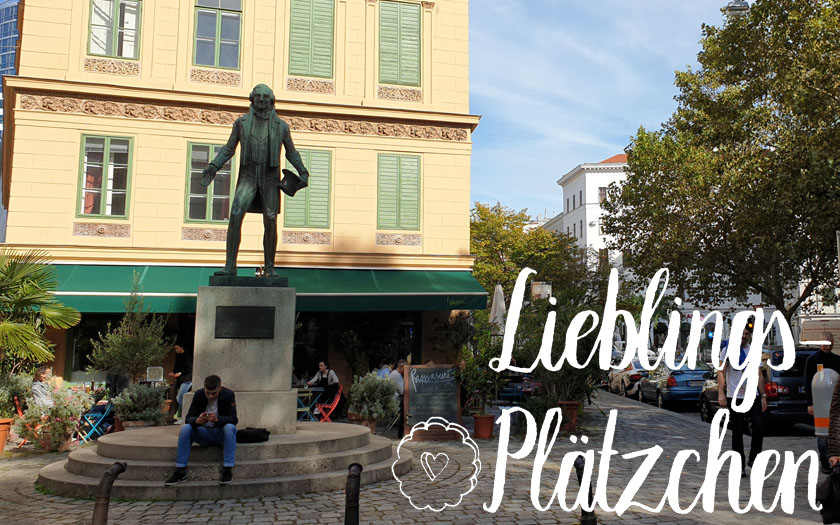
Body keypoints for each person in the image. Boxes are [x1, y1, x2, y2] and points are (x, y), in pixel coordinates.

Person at [201, 83, 309, 277]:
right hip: (248, 175)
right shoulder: (241, 123)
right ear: (252, 98)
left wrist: (302, 171)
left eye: (265, 96)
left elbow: (291, 153)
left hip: (269, 177)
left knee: (270, 219)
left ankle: (269, 268)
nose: (261, 99)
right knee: (235, 214)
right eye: (257, 96)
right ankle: (230, 266)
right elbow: (228, 149)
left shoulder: (281, 126)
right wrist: (214, 166)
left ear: (271, 100)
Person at [165, 375, 238, 486]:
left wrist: (218, 419)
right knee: (186, 428)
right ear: (204, 388)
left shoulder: (228, 395)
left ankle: (228, 469)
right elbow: (188, 418)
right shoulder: (199, 395)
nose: (210, 396)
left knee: (230, 428)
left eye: (214, 393)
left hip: (220, 433)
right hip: (204, 433)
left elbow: (233, 419)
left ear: (219, 388)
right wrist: (197, 421)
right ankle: (180, 471)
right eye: (208, 393)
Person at [717, 327, 767, 477]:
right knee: (738, 431)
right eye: (741, 333)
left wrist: (763, 395)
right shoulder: (728, 350)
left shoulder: (753, 350)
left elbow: (759, 374)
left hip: (753, 395)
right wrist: (721, 392)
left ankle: (753, 460)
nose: (744, 336)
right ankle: (739, 465)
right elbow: (721, 371)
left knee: (759, 426)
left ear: (750, 336)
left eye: (746, 334)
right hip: (735, 396)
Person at [805, 332, 840, 473]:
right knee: (822, 433)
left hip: (834, 400)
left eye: (831, 344)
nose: (828, 347)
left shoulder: (837, 360)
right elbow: (808, 382)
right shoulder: (813, 360)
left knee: (834, 431)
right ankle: (825, 462)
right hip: (820, 402)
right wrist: (810, 403)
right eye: (826, 344)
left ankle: (834, 460)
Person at [169, 344, 193, 420]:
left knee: (179, 397)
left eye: (177, 348)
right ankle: (180, 415)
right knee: (180, 398)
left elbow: (189, 369)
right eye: (175, 349)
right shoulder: (179, 356)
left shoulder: (187, 356)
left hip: (187, 379)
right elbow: (177, 367)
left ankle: (184, 416)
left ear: (182, 347)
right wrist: (173, 372)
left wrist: (179, 373)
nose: (176, 350)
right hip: (182, 380)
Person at [390, 360, 407, 439]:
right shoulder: (397, 375)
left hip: (394, 399)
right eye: (405, 367)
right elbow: (403, 391)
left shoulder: (394, 373)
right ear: (401, 367)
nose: (407, 369)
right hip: (396, 401)